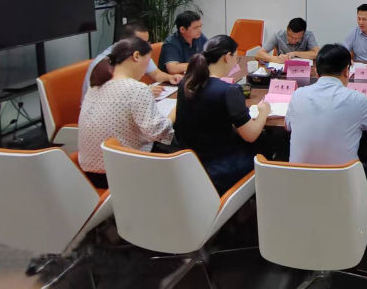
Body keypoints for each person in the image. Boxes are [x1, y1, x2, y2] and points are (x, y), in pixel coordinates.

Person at [174, 35, 271, 194]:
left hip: (189, 164)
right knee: (265, 141)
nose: (235, 62)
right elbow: (251, 135)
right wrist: (264, 111)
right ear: (227, 57)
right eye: (236, 58)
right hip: (221, 168)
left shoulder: (186, 83)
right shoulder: (229, 91)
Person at [78, 37, 175, 188]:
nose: (146, 70)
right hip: (119, 173)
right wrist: (174, 112)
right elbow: (158, 133)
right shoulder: (137, 89)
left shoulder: (97, 84)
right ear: (136, 56)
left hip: (88, 171)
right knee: (177, 145)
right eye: (147, 62)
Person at [285, 44, 367, 177]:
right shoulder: (357, 99)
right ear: (347, 71)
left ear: (316, 71)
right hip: (344, 185)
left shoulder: (298, 95)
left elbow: (288, 126)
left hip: (298, 183)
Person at [81, 21, 181, 100]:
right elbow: (109, 98)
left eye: (147, 42)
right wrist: (144, 92)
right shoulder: (104, 64)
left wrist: (171, 77)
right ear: (126, 41)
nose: (146, 46)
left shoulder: (140, 53)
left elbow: (156, 74)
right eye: (142, 43)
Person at [255, 17, 319, 64]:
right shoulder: (278, 35)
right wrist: (276, 59)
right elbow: (258, 54)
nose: (293, 41)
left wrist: (295, 53)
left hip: (303, 70)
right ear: (287, 30)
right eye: (291, 37)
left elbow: (317, 54)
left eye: (297, 38)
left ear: (303, 33)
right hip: (282, 69)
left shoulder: (308, 35)